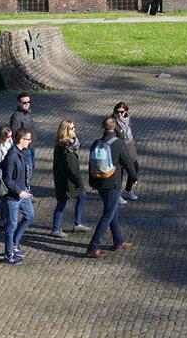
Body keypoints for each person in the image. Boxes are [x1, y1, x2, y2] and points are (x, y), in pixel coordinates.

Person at [85, 116, 137, 259]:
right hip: (112, 183)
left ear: (103, 127)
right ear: (114, 127)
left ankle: (118, 241)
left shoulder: (96, 143)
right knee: (107, 215)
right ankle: (93, 246)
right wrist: (134, 177)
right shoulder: (118, 143)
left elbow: (90, 164)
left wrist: (92, 181)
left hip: (99, 182)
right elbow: (128, 163)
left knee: (112, 212)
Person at [0, 128, 36, 264]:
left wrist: (26, 189)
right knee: (12, 225)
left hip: (23, 192)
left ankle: (14, 243)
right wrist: (19, 191)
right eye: (28, 139)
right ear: (21, 140)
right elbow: (8, 179)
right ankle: (8, 256)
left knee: (29, 216)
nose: (30, 141)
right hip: (13, 195)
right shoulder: (12, 155)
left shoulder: (21, 153)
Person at [51, 119, 89, 234]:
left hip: (74, 177)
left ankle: (77, 223)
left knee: (82, 197)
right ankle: (55, 228)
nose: (74, 130)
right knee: (62, 202)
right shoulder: (61, 147)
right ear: (66, 130)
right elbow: (65, 168)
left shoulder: (71, 143)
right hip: (65, 180)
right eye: (72, 128)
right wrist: (74, 179)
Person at [113, 102, 142, 202]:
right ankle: (118, 194)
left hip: (130, 147)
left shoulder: (128, 119)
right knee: (119, 173)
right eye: (117, 112)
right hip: (120, 150)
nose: (119, 114)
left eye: (121, 112)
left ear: (126, 111)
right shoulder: (113, 121)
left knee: (134, 168)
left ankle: (128, 190)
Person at [7, 92, 37, 173]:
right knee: (27, 170)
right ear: (19, 103)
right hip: (25, 149)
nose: (27, 104)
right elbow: (15, 136)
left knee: (31, 167)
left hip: (31, 146)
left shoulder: (28, 113)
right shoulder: (16, 117)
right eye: (24, 103)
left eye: (28, 102)